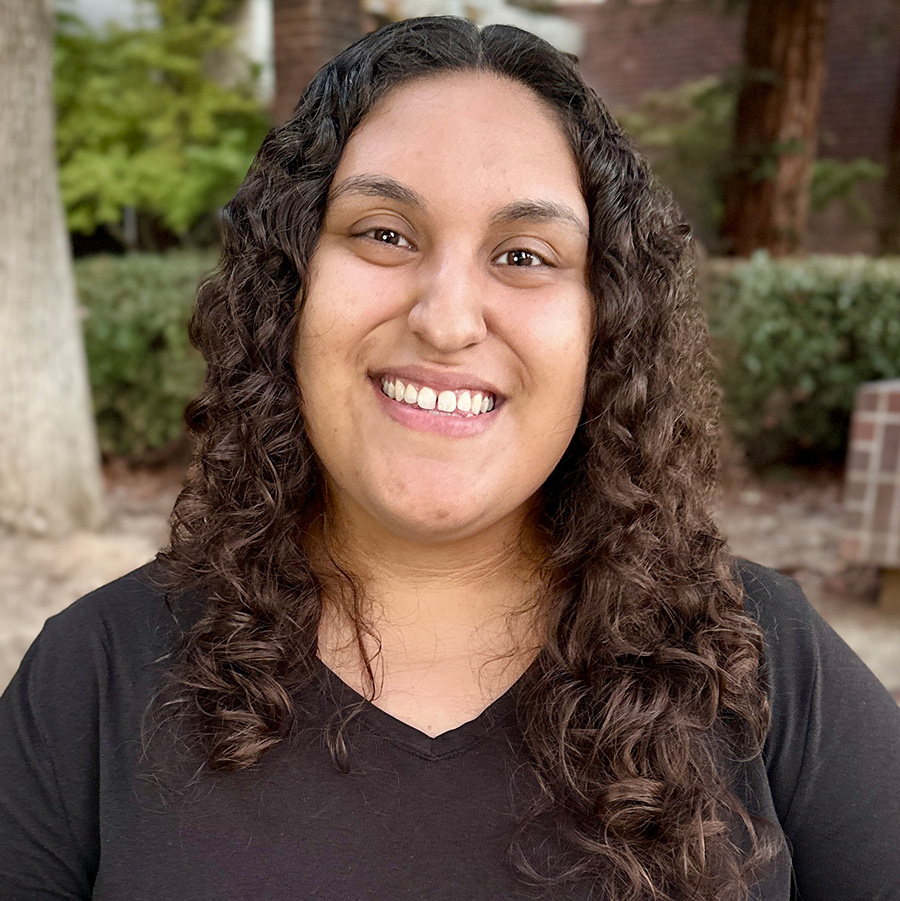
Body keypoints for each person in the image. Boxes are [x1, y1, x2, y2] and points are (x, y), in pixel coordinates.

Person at [1, 16, 899, 901]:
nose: (446, 319)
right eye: (385, 233)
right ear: (288, 290)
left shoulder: (764, 665)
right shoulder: (93, 679)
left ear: (608, 328)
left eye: (524, 254)